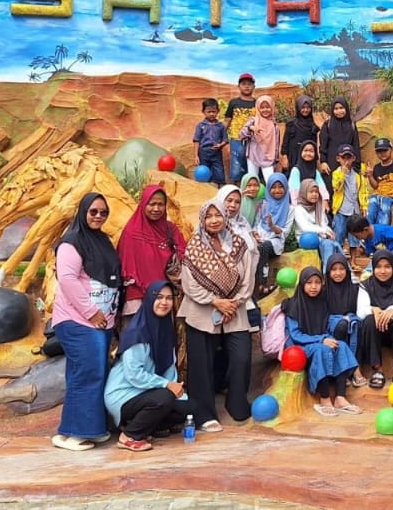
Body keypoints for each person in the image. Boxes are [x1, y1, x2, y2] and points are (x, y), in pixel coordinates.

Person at [51, 192, 121, 451]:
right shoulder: (71, 242)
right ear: (83, 212)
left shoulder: (103, 240)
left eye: (103, 212)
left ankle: (85, 429)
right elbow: (68, 279)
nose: (99, 216)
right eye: (93, 212)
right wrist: (91, 312)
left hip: (101, 321)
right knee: (88, 373)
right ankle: (77, 433)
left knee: (91, 371)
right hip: (77, 320)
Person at [179, 193, 256, 430]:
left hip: (236, 309)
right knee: (201, 364)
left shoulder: (239, 244)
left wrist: (233, 302)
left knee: (242, 357)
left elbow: (248, 276)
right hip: (202, 311)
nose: (214, 220)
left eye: (218, 215)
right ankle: (204, 415)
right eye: (209, 216)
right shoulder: (194, 246)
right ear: (202, 219)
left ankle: (237, 404)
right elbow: (189, 283)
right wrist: (215, 301)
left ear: (225, 217)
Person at [104, 281, 192, 452]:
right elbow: (134, 375)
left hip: (146, 393)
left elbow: (168, 370)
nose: (164, 302)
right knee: (164, 399)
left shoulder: (166, 330)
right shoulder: (137, 333)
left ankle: (148, 426)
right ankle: (129, 435)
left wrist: (175, 388)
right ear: (149, 300)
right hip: (123, 395)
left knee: (187, 406)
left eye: (168, 298)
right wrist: (167, 386)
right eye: (158, 297)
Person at [283, 266, 362, 416]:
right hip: (301, 345)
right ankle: (324, 399)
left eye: (317, 282)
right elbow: (295, 335)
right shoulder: (293, 305)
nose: (314, 287)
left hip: (320, 340)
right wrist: (322, 339)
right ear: (302, 284)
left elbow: (327, 324)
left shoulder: (322, 302)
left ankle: (340, 397)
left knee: (341, 346)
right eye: (309, 283)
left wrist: (337, 327)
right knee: (322, 349)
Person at [118, 185, 186, 321]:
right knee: (138, 339)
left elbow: (184, 253)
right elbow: (125, 266)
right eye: (152, 204)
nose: (156, 209)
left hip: (164, 297)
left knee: (162, 339)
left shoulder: (170, 230)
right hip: (137, 297)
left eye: (160, 204)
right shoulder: (131, 232)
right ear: (143, 204)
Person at [356, 249, 393, 388]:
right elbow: (360, 311)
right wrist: (373, 309)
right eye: (378, 267)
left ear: (392, 268)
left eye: (387, 267)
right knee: (368, 320)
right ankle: (377, 370)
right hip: (374, 333)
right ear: (373, 268)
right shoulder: (365, 285)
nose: (383, 271)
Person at [323, 252, 368, 388]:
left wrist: (350, 318)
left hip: (351, 322)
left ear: (347, 270)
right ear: (328, 271)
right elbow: (322, 314)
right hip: (332, 326)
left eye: (342, 269)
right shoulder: (323, 290)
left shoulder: (355, 289)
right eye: (334, 269)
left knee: (359, 325)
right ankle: (348, 370)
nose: (338, 273)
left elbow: (360, 310)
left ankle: (355, 368)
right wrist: (339, 319)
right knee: (341, 326)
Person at [252, 174, 293, 299]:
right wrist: (255, 234)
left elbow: (285, 232)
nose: (277, 190)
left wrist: (273, 226)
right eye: (273, 187)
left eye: (281, 187)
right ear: (268, 189)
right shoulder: (263, 205)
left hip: (275, 241)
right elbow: (255, 224)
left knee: (264, 247)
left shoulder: (290, 209)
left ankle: (262, 284)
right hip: (261, 237)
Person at [293, 178, 342, 270]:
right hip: (306, 239)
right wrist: (324, 231)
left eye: (316, 192)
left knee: (334, 243)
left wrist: (329, 232)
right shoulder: (298, 209)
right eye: (311, 192)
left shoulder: (319, 207)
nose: (314, 195)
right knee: (328, 244)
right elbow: (305, 227)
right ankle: (327, 272)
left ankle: (343, 270)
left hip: (320, 237)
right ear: (304, 192)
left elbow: (323, 224)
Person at [331, 144, 370, 254]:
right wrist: (342, 173)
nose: (346, 161)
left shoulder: (358, 176)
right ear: (338, 159)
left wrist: (364, 206)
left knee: (354, 236)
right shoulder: (336, 173)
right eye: (344, 158)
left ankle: (353, 261)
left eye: (349, 157)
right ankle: (337, 258)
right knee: (339, 234)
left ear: (353, 158)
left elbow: (363, 192)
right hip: (341, 210)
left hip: (354, 210)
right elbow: (336, 187)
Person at [224, 73, 257, 184]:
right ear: (239, 86)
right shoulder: (234, 103)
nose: (247, 86)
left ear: (254, 86)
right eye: (243, 84)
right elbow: (227, 121)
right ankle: (236, 189)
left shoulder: (257, 103)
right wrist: (222, 138)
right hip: (236, 139)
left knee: (251, 165)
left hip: (253, 140)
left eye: (249, 84)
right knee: (236, 165)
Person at [317, 96, 359, 185]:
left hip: (348, 162)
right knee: (331, 187)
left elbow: (356, 145)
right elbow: (323, 145)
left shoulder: (351, 125)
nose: (339, 111)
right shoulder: (327, 125)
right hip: (330, 163)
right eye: (336, 109)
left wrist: (356, 166)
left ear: (346, 108)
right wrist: (323, 161)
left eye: (341, 108)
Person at [240, 94, 281, 181]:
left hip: (268, 157)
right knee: (252, 179)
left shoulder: (274, 125)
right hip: (253, 154)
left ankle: (270, 195)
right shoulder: (253, 121)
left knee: (270, 180)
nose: (265, 110)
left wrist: (276, 158)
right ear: (258, 108)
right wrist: (250, 128)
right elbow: (241, 134)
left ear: (272, 108)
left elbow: (276, 143)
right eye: (262, 107)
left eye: (268, 107)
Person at [367, 137, 393, 226]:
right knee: (371, 209)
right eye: (379, 151)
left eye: (385, 150)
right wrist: (370, 176)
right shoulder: (377, 167)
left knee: (385, 210)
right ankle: (369, 231)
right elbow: (375, 186)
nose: (382, 153)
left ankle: (382, 231)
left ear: (391, 150)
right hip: (377, 194)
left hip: (389, 195)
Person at [192, 98, 227, 186]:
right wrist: (196, 155)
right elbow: (196, 140)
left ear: (218, 111)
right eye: (209, 111)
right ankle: (205, 190)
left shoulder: (220, 126)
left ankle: (219, 188)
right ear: (203, 112)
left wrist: (220, 145)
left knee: (219, 173)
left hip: (216, 152)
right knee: (204, 172)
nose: (212, 114)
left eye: (214, 111)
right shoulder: (200, 126)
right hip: (203, 152)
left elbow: (225, 140)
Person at [280, 94, 320, 173]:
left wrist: (316, 160)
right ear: (298, 108)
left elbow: (314, 144)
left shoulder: (313, 126)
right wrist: (284, 157)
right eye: (303, 107)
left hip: (307, 158)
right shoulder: (291, 124)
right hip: (293, 158)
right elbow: (285, 143)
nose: (305, 110)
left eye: (308, 108)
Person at [286, 139, 328, 207]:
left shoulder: (315, 171)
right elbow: (294, 191)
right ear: (300, 152)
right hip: (299, 205)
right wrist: (297, 207)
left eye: (311, 151)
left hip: (313, 204)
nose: (308, 153)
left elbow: (321, 186)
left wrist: (325, 200)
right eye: (305, 150)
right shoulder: (296, 170)